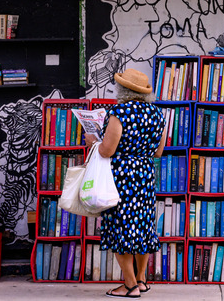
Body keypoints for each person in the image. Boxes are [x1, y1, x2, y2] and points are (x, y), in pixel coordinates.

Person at [85, 68, 167, 298]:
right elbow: (158, 152)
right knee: (142, 228)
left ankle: (129, 286)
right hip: (145, 176)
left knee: (118, 228)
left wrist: (93, 140)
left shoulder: (119, 112)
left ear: (122, 89)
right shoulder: (157, 114)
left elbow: (107, 150)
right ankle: (141, 280)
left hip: (121, 177)